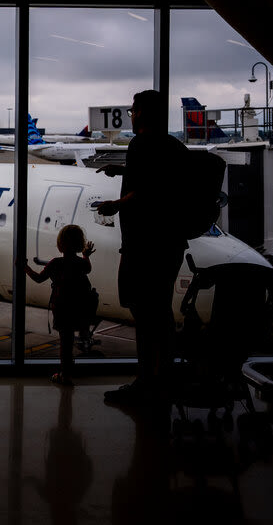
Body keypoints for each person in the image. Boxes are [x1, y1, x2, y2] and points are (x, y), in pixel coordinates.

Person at [94, 89, 189, 406]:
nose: (131, 115)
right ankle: (162, 378)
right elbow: (163, 183)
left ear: (145, 113)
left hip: (144, 245)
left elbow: (148, 190)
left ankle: (146, 383)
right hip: (170, 244)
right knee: (160, 314)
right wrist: (121, 172)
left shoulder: (142, 144)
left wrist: (114, 204)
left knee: (144, 314)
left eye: (134, 110)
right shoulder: (174, 145)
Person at [24, 224, 96, 386]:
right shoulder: (81, 263)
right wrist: (86, 255)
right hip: (77, 307)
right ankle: (68, 372)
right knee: (69, 341)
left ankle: (65, 375)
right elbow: (88, 268)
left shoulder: (56, 263)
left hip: (62, 307)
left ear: (60, 244)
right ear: (80, 244)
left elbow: (38, 278)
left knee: (65, 343)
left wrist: (25, 267)